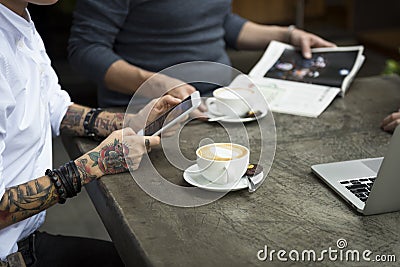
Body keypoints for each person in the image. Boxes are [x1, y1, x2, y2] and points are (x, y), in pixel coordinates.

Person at [0, 0, 182, 266]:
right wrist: (96, 163)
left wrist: (131, 120)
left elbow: (55, 106)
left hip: (23, 240)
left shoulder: (18, 17)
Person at [68, 0, 336, 108]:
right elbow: (85, 49)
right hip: (150, 112)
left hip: (222, 104)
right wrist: (156, 83)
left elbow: (221, 22)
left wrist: (286, 35)